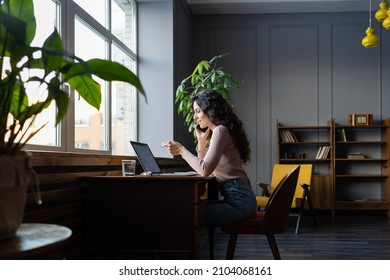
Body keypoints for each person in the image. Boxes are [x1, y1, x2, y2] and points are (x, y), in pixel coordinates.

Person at [162, 89, 257, 229]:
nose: (195, 117)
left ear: (210, 110)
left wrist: (181, 150)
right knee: (190, 211)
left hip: (239, 203)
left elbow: (204, 170)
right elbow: (204, 168)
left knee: (186, 213)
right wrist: (201, 143)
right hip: (242, 200)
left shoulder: (220, 130)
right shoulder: (221, 131)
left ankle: (187, 250)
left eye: (198, 111)